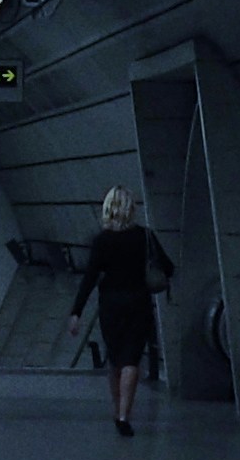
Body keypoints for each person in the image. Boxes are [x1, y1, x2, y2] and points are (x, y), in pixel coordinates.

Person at [68, 186, 174, 435]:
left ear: (107, 209)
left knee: (115, 360)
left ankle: (117, 409)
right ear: (131, 209)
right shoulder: (144, 236)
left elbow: (90, 278)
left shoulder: (102, 241)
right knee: (131, 360)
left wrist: (77, 312)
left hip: (111, 305)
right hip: (139, 303)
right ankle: (125, 416)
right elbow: (168, 267)